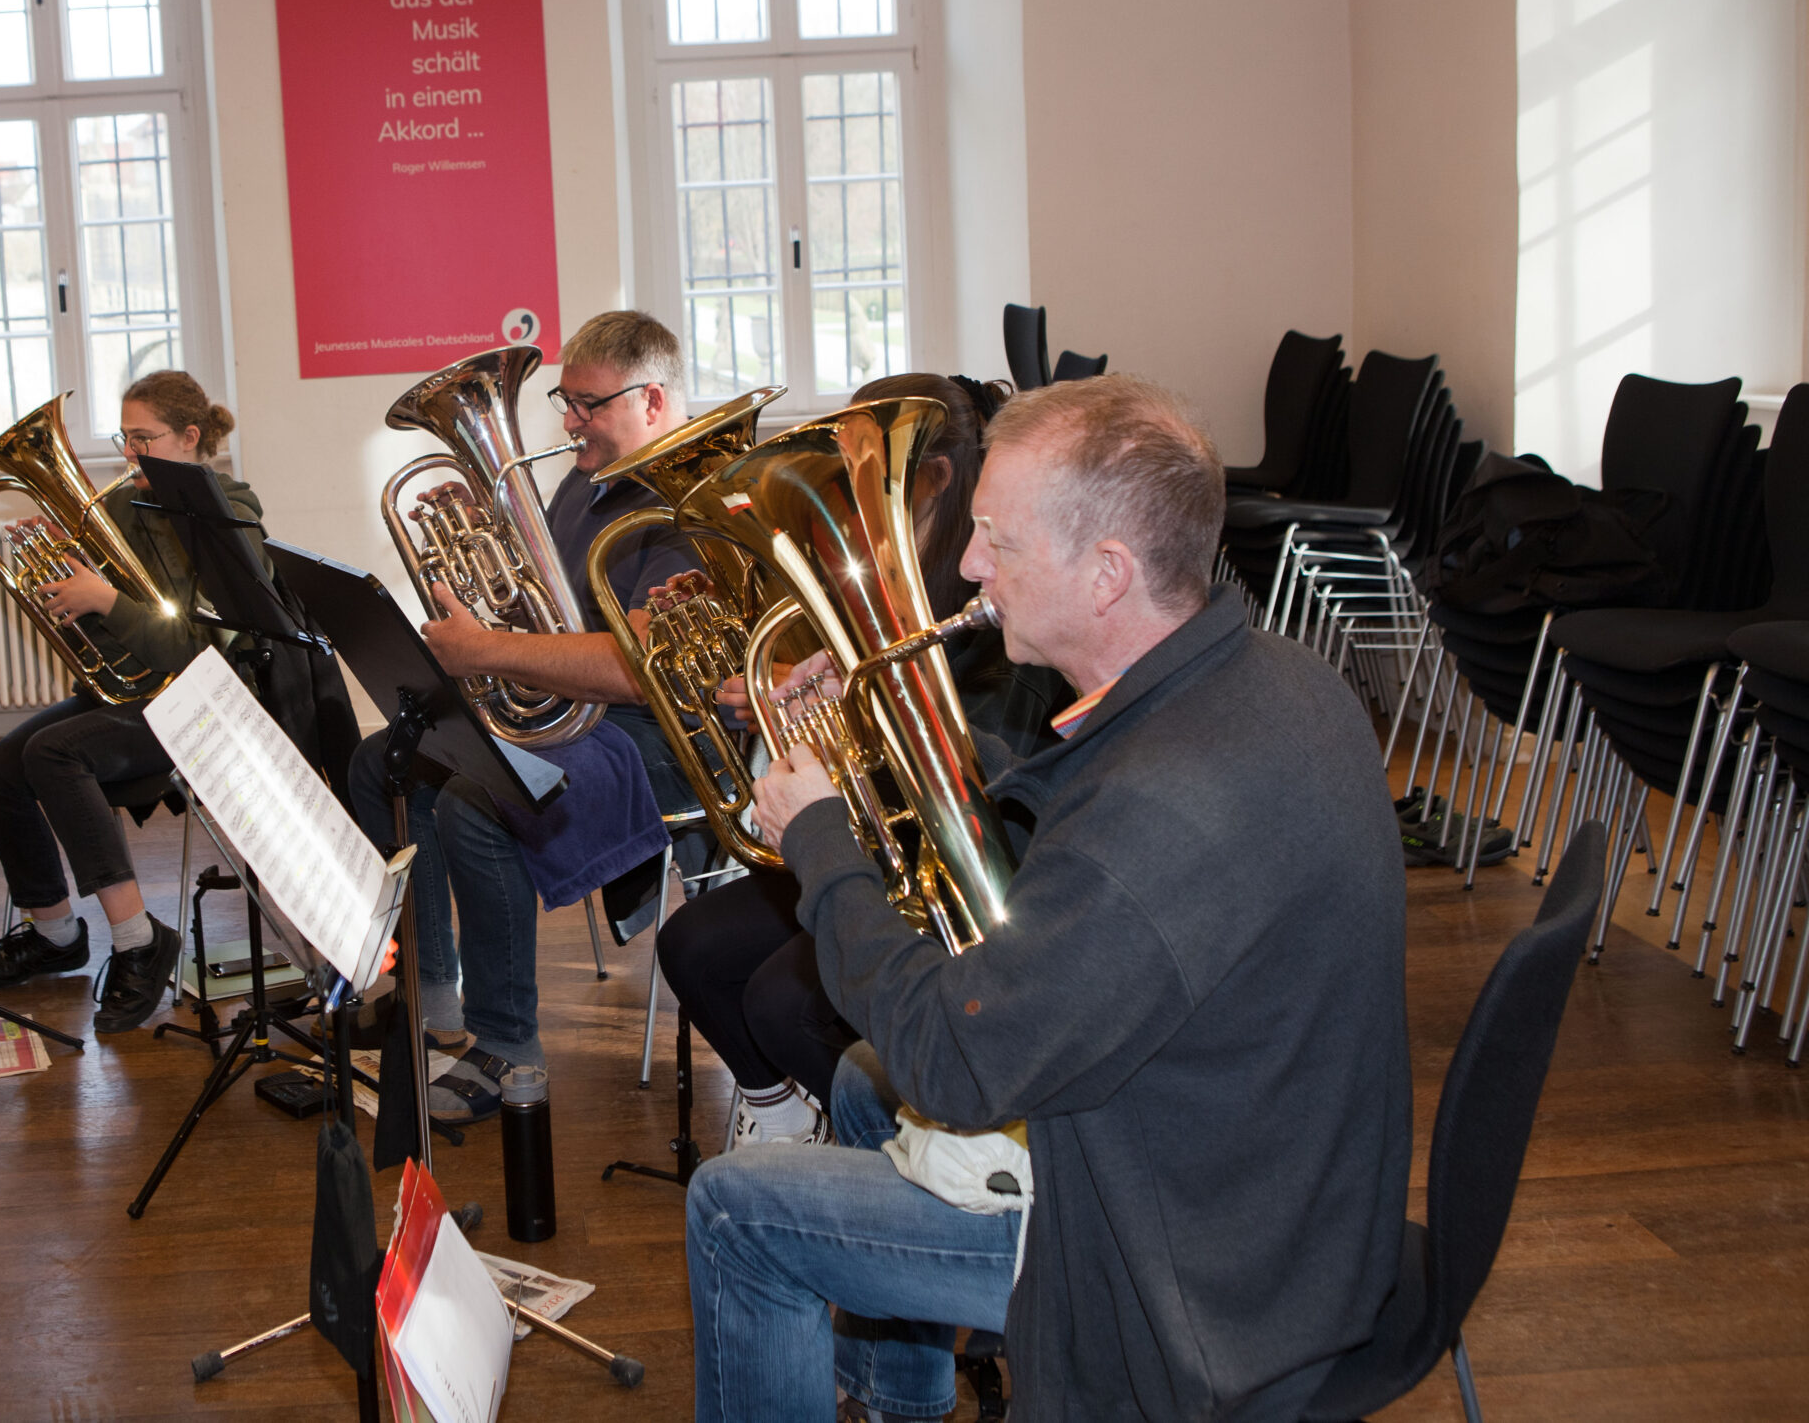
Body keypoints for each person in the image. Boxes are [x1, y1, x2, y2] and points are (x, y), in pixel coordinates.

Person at [686, 375, 1411, 1423]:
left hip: (1181, 1272)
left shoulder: (1165, 814)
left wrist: (821, 843)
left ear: (1107, 574)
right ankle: (900, 1402)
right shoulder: (1272, 679)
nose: (968, 566)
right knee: (858, 1080)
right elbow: (1090, 808)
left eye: (998, 540)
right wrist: (886, 737)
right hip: (1265, 1173)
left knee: (734, 1210)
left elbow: (955, 1059)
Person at [656, 373, 1065, 1149]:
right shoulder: (870, 571)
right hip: (874, 843)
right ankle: (790, 1115)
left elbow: (968, 793)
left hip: (944, 869)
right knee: (691, 944)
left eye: (846, 477)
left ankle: (897, 1149)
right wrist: (810, 699)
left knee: (782, 997)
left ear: (933, 478)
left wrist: (852, 714)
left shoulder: (988, 618)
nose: (834, 501)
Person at [346, 309, 708, 1120]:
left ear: (651, 400)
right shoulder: (588, 477)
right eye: (564, 400)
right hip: (579, 711)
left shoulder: (688, 497)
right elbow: (550, 613)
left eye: (588, 404)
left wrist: (487, 650)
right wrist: (483, 547)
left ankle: (508, 1044)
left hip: (661, 734)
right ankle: (431, 990)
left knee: (480, 801)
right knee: (384, 762)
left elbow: (637, 669)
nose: (569, 421)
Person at [0, 371, 253, 1033]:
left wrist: (106, 599)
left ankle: (138, 941)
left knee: (54, 752)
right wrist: (63, 578)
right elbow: (108, 634)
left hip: (203, 700)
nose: (129, 453)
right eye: (125, 438)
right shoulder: (121, 507)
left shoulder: (229, 514)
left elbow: (203, 647)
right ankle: (56, 933)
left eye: (144, 438)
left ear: (189, 437)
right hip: (136, 693)